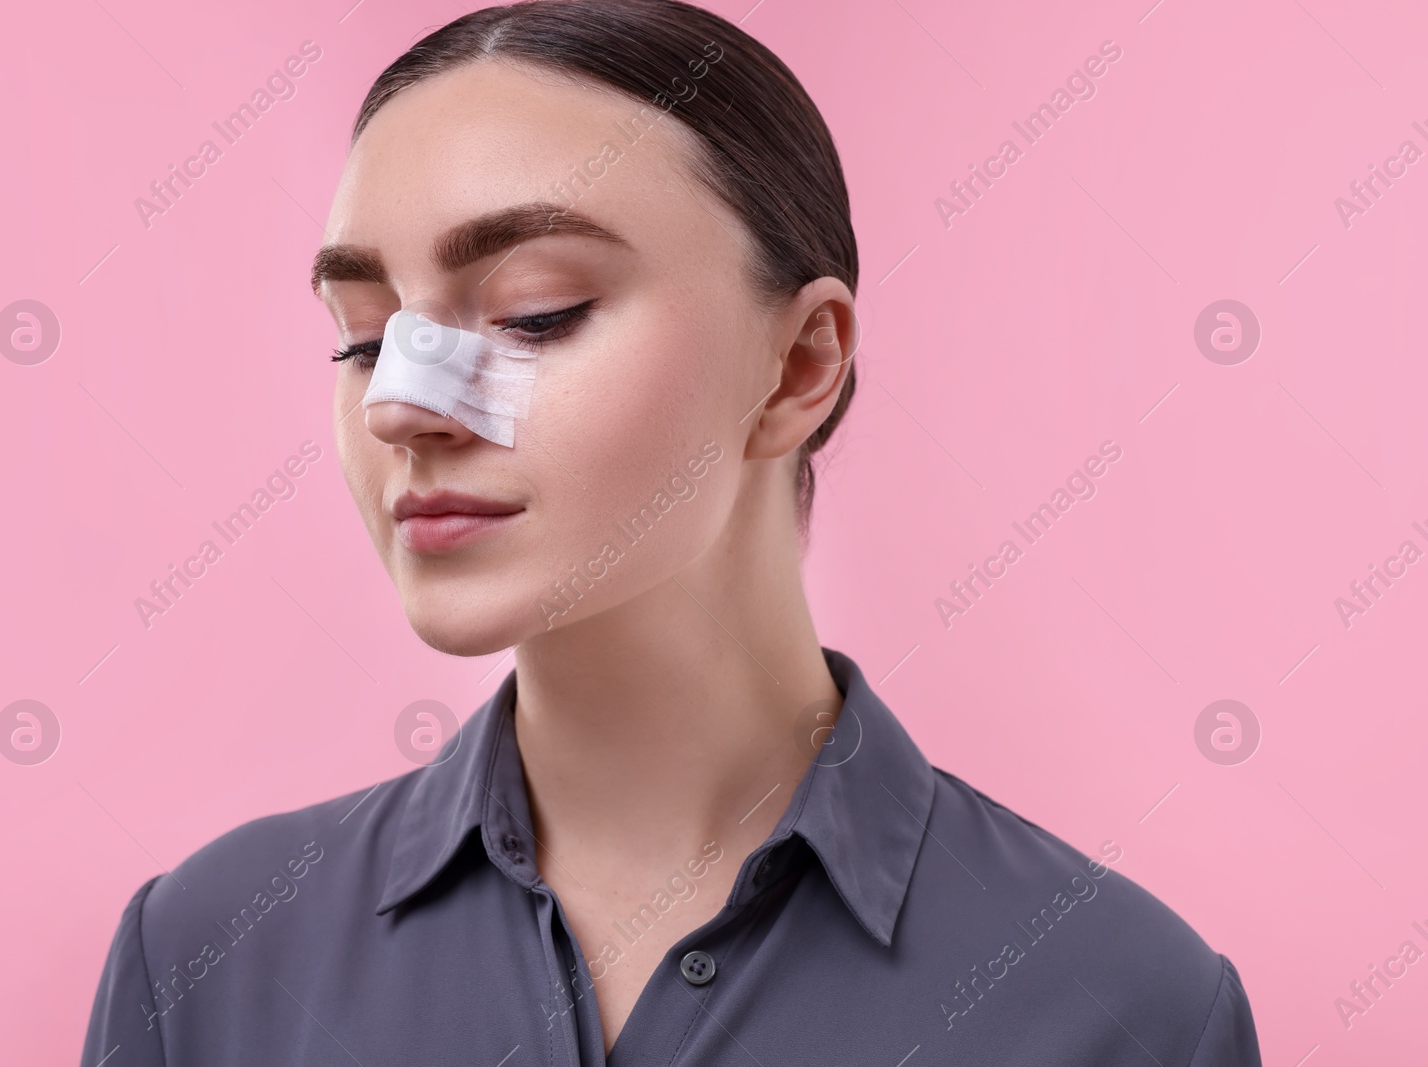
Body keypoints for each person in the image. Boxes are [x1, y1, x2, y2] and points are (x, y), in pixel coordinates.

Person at [80, 1, 1262, 1063]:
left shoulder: (1123, 1003)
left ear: (798, 365)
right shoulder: (208, 956)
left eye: (536, 313)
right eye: (362, 335)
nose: (399, 402)